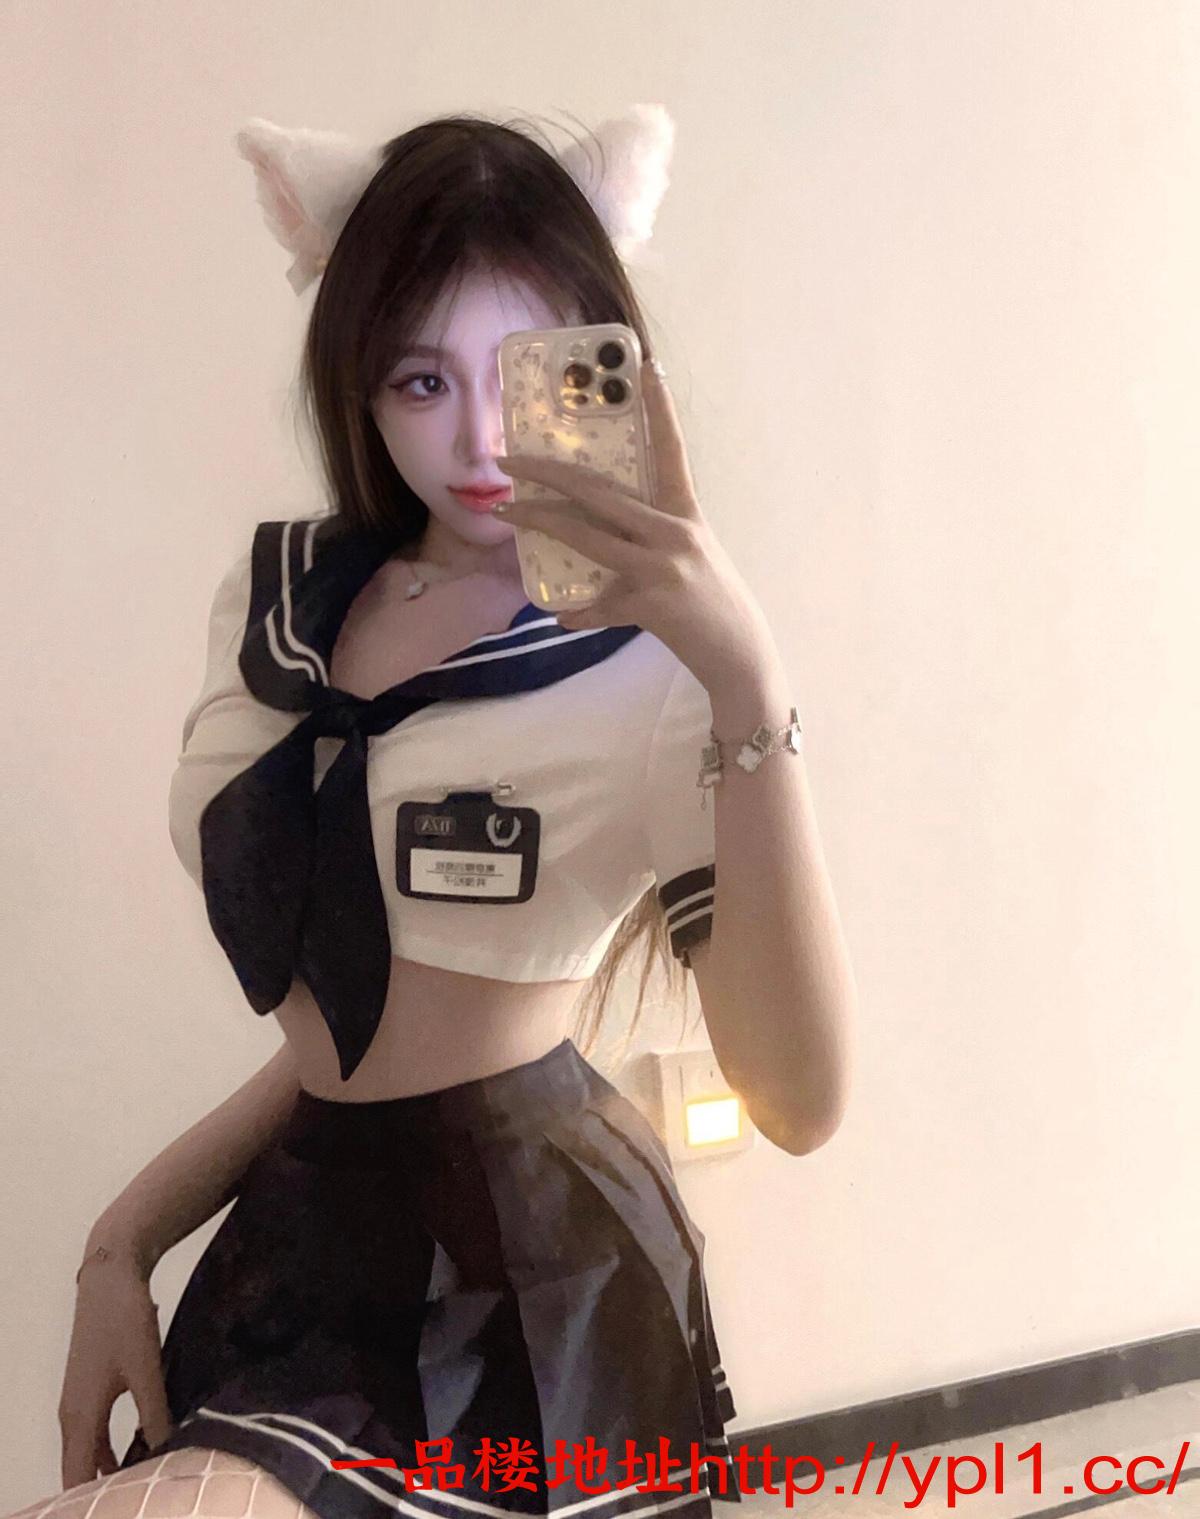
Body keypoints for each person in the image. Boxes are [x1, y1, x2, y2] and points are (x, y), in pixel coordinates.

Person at [12, 106, 855, 1519]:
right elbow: (359, 1029)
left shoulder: (652, 667)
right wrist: (123, 1239)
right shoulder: (278, 605)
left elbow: (804, 1103)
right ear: (357, 381)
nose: (478, 439)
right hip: (295, 1235)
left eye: (522, 372)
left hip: (520, 1270)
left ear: (601, 369)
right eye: (419, 379)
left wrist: (746, 680)